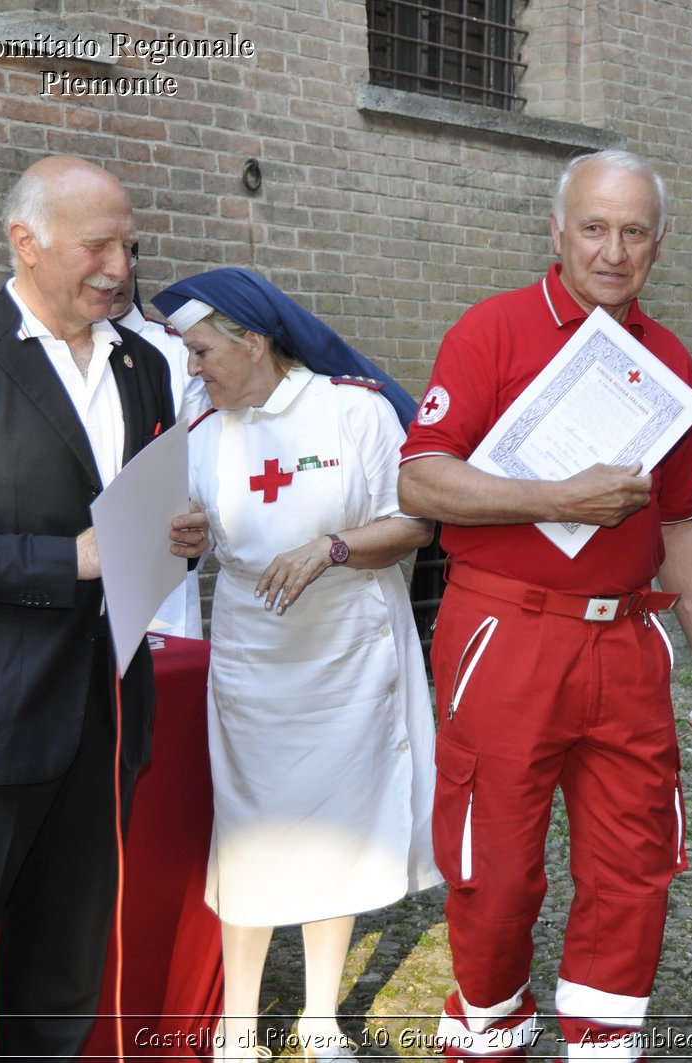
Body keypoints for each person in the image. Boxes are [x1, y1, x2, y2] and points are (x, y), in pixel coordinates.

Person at [397, 149, 692, 1061]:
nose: (613, 248)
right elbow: (422, 480)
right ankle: (486, 1036)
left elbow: (679, 524)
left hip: (627, 640)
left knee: (634, 868)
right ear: (558, 231)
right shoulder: (494, 330)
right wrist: (557, 497)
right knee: (497, 871)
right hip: (506, 632)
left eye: (634, 231)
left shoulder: (667, 357)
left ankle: (601, 1044)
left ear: (659, 244)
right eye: (594, 226)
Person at [0, 155, 208, 1060]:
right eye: (98, 245)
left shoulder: (144, 366)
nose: (120, 267)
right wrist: (72, 560)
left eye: (128, 246)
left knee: (65, 959)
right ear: (26, 243)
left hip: (107, 707)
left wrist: (172, 535)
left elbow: (135, 502)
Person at [150, 268, 440, 1061]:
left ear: (254, 339)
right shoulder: (201, 428)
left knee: (337, 821)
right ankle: (236, 1027)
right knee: (251, 831)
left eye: (203, 349)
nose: (193, 367)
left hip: (349, 644)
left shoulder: (354, 409)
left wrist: (331, 547)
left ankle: (318, 1017)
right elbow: (193, 533)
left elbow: (414, 519)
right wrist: (185, 538)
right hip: (256, 651)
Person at [110, 245, 208, 638]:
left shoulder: (174, 350)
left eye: (125, 260)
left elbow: (199, 456)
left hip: (159, 555)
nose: (115, 276)